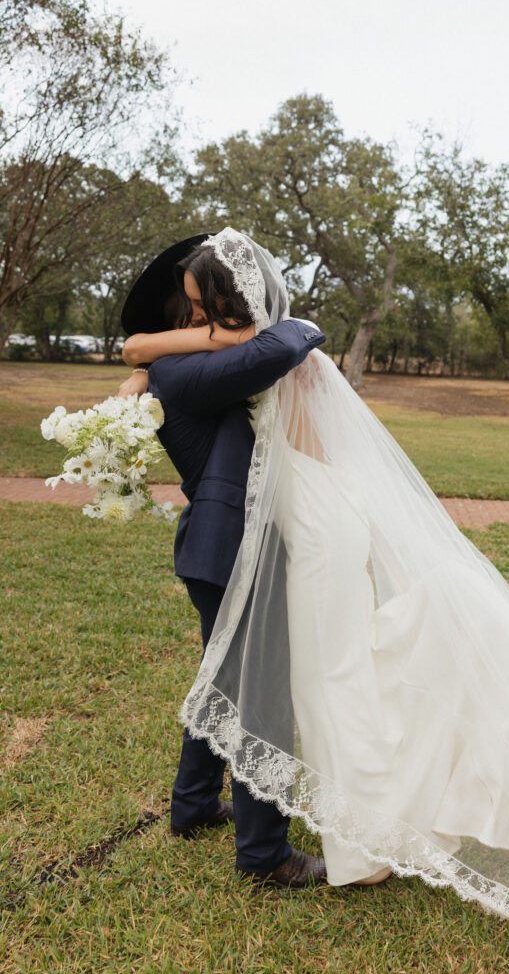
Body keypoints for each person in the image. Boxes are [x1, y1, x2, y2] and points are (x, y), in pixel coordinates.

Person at [121, 227, 509, 956]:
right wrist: (177, 349)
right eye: (188, 309)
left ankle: (299, 845)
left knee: (307, 681)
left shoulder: (263, 358)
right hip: (296, 529)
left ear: (231, 306)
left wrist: (173, 348)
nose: (190, 320)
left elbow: (263, 368)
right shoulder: (243, 359)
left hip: (305, 533)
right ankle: (205, 810)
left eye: (202, 309)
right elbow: (219, 359)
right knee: (253, 675)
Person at [118, 232, 327, 888]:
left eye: (211, 306)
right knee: (258, 694)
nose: (204, 318)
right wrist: (295, 323)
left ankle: (192, 805)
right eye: (194, 311)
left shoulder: (180, 364)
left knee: (222, 679)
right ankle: (265, 854)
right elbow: (281, 343)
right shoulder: (183, 370)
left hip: (226, 546)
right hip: (228, 548)